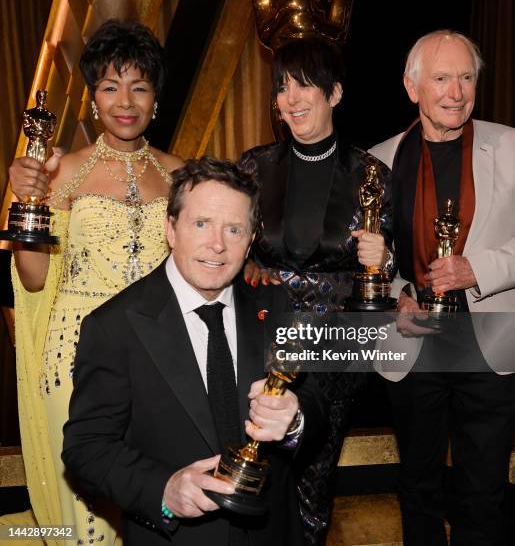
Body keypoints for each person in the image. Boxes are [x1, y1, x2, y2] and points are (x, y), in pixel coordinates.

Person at [62, 157, 328, 546]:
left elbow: (317, 406)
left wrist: (296, 420)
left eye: (234, 229)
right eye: (201, 224)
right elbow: (86, 449)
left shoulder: (277, 306)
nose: (217, 245)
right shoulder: (114, 326)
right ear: (171, 229)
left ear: (251, 240)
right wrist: (164, 489)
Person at [7, 19, 182, 544]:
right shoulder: (61, 173)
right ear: (91, 99)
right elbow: (34, 280)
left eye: (139, 86)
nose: (124, 101)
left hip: (158, 355)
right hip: (74, 355)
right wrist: (28, 202)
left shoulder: (182, 175)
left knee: (157, 503)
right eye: (110, 87)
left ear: (155, 99)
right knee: (91, 517)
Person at [240, 37, 394, 545]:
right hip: (262, 336)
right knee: (254, 467)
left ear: (336, 92)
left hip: (335, 346)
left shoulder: (371, 176)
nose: (292, 97)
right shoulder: (254, 169)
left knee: (313, 474)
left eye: (305, 83)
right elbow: (232, 246)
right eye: (282, 86)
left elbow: (384, 271)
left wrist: (383, 259)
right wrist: (248, 265)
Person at [369, 30, 515, 545]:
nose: (456, 91)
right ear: (412, 88)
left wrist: (481, 269)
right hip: (412, 338)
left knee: (484, 491)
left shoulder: (512, 145)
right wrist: (399, 290)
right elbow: (368, 258)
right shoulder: (378, 161)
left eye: (466, 76)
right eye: (441, 78)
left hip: (492, 336)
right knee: (417, 486)